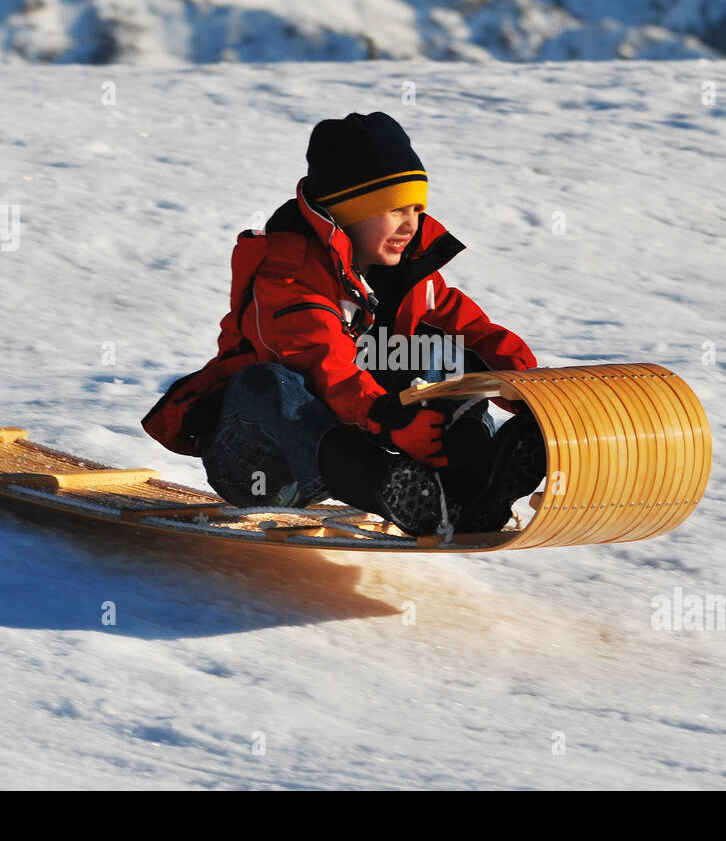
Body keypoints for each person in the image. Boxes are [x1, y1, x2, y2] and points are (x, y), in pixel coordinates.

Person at [142, 111, 545, 536]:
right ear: (348, 212)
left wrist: (530, 391)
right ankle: (398, 491)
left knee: (442, 353)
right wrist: (389, 418)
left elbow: (477, 333)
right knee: (268, 384)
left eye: (416, 208)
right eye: (393, 210)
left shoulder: (408, 275)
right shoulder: (290, 273)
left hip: (369, 431)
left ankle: (471, 486)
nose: (411, 224)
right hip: (264, 461)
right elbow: (320, 361)